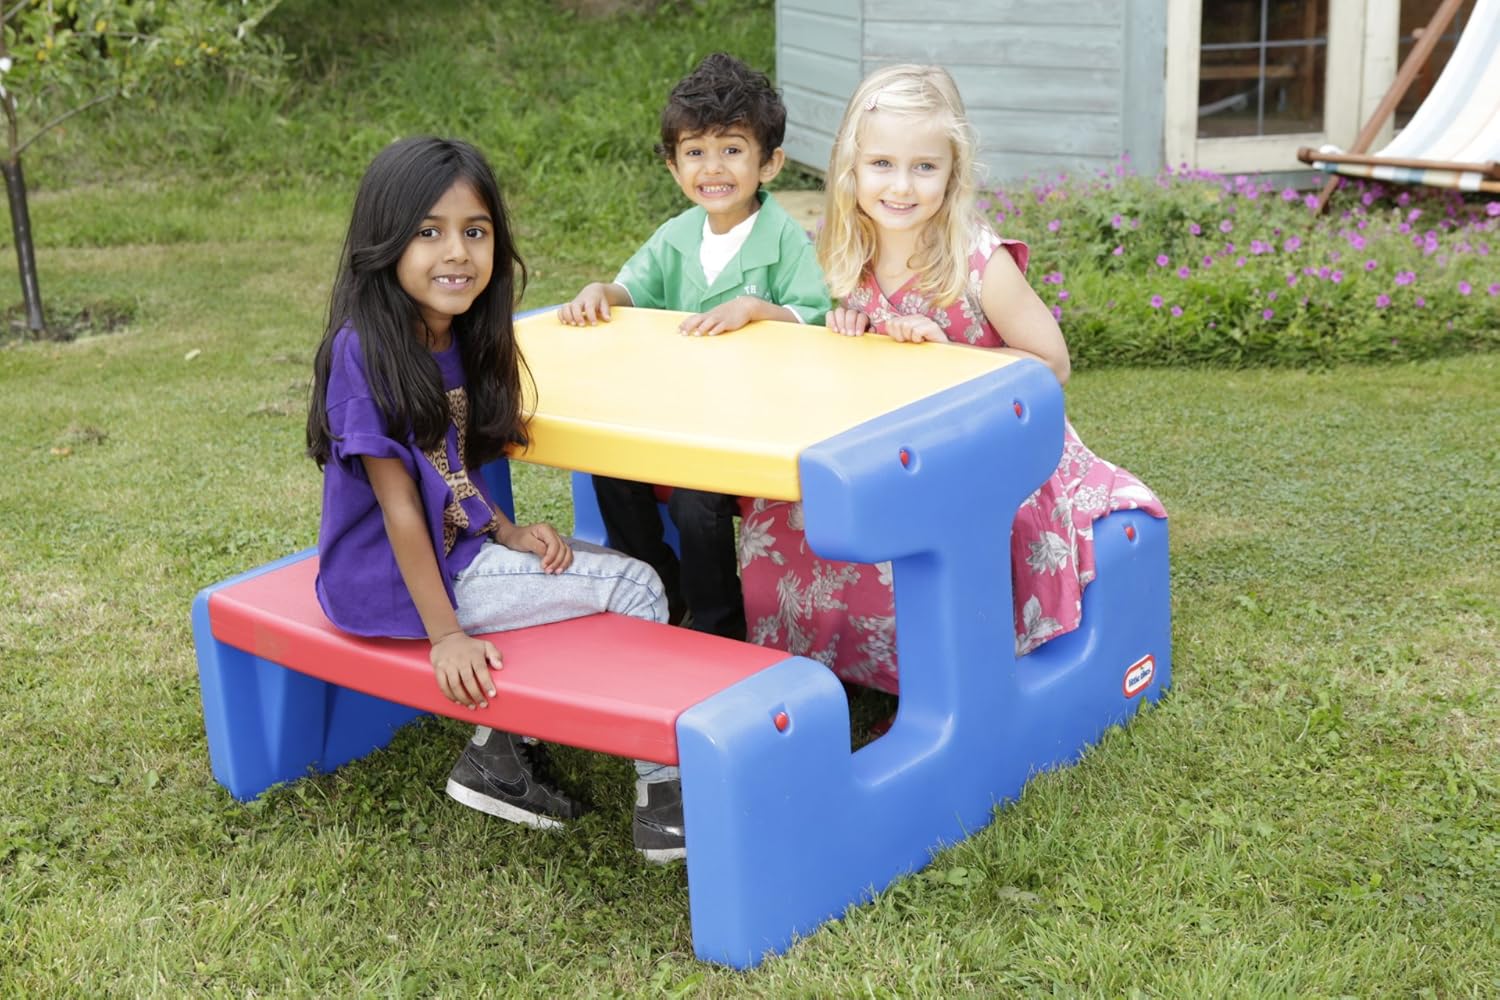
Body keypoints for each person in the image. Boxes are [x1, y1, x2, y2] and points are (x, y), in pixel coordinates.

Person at [306, 136, 685, 862]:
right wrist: (446, 634)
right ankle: (665, 801)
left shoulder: (448, 335)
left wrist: (504, 530)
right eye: (429, 232)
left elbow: (445, 465)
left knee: (576, 568)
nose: (457, 253)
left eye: (474, 232)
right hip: (395, 583)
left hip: (445, 560)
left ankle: (497, 758)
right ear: (383, 241)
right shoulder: (367, 349)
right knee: (637, 584)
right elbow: (401, 507)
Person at [738, 66, 1167, 695]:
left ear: (953, 172)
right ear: (851, 169)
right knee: (787, 509)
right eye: (881, 164)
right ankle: (818, 667)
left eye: (924, 167)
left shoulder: (976, 262)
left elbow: (1053, 364)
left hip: (990, 445)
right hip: (891, 437)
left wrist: (956, 358)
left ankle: (938, 685)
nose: (901, 186)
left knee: (927, 525)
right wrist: (846, 323)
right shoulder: (842, 248)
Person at [558, 52, 830, 642]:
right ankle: (661, 585)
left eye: (732, 149)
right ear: (674, 166)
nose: (713, 168)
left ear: (770, 162)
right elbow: (633, 287)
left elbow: (819, 322)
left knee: (695, 498)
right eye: (695, 152)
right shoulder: (676, 236)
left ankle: (718, 625)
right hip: (679, 413)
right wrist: (599, 290)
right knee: (610, 464)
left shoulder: (786, 241)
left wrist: (764, 312)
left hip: (756, 425)